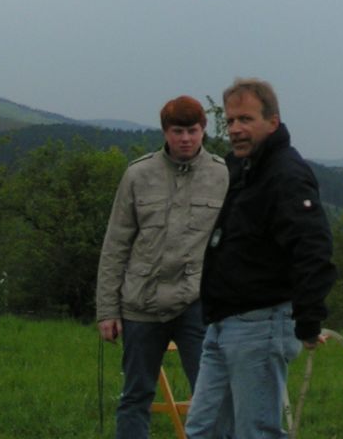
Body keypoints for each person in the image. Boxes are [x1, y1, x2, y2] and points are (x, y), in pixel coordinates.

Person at [183, 78, 337, 439]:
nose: (235, 129)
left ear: (272, 121)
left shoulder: (287, 174)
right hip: (221, 322)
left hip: (261, 324)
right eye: (230, 121)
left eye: (246, 119)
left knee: (255, 433)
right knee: (202, 429)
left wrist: (309, 319)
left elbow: (312, 248)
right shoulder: (240, 168)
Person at [96, 95, 228, 439]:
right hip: (141, 303)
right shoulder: (138, 175)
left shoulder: (222, 175)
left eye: (192, 131)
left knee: (211, 396)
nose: (185, 138)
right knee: (135, 395)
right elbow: (115, 245)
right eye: (177, 131)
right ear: (165, 132)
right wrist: (107, 310)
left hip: (196, 302)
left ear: (203, 131)